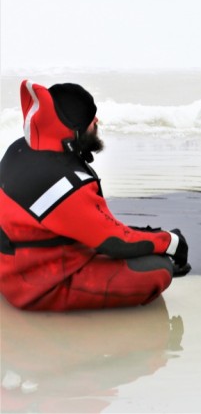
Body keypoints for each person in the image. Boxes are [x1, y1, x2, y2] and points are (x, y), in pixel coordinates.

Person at [0, 80, 190, 311]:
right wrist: (171, 242)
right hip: (35, 286)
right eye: (91, 118)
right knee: (158, 269)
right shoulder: (66, 183)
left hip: (14, 265)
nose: (97, 121)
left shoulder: (19, 150)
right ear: (75, 129)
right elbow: (115, 242)